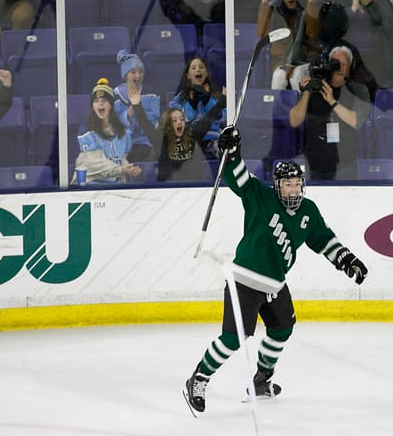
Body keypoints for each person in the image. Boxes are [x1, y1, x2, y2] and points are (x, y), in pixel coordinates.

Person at [183, 125, 368, 415]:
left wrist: (347, 259)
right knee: (233, 339)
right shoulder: (260, 196)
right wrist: (232, 151)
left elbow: (323, 239)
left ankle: (261, 380)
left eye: (297, 184)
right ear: (277, 185)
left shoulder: (308, 210)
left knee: (282, 328)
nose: (293, 189)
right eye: (287, 184)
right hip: (244, 280)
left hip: (274, 284)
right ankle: (199, 377)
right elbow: (238, 177)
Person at [288, 46, 370, 180]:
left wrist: (332, 102)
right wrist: (307, 91)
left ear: (350, 67)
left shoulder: (358, 90)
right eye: (336, 64)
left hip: (345, 161)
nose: (340, 68)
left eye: (344, 64)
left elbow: (356, 121)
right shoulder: (316, 87)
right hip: (313, 160)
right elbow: (294, 121)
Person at [257, 0, 320, 90]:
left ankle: (299, 110)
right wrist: (264, 3)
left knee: (297, 76)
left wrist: (310, 2)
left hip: (302, 60)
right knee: (279, 77)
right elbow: (262, 33)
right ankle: (275, 110)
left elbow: (312, 32)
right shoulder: (274, 10)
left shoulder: (304, 10)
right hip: (281, 61)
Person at [130, 99, 225, 182]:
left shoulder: (193, 135)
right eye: (174, 120)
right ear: (168, 125)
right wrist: (136, 105)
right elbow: (146, 125)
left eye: (181, 119)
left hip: (194, 188)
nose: (179, 122)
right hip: (169, 190)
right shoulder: (161, 140)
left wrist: (222, 101)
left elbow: (208, 118)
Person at [72, 78, 142, 185]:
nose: (100, 104)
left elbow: (121, 158)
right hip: (90, 186)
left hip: (115, 186)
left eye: (104, 101)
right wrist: (121, 170)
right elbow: (94, 164)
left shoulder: (123, 132)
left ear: (111, 105)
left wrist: (130, 169)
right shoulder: (86, 131)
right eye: (96, 101)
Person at [340, 0, 393, 89]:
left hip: (377, 57)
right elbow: (340, 27)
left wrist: (370, 5)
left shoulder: (378, 7)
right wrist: (354, 7)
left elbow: (385, 26)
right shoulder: (347, 9)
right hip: (355, 59)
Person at [168, 56, 226, 159]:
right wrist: (191, 104)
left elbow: (223, 117)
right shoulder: (180, 99)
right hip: (190, 139)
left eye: (201, 67)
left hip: (213, 138)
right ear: (188, 75)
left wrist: (208, 100)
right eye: (193, 68)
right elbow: (179, 120)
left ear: (206, 73)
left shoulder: (216, 95)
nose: (198, 69)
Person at [113, 50, 161, 163]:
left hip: (146, 143)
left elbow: (155, 120)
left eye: (140, 72)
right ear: (125, 76)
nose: (138, 76)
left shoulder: (151, 93)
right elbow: (114, 124)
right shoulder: (115, 97)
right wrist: (127, 116)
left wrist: (138, 110)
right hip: (123, 143)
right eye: (133, 72)